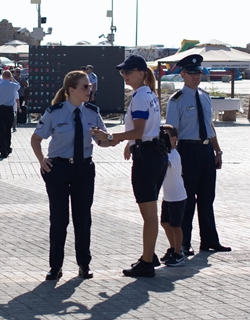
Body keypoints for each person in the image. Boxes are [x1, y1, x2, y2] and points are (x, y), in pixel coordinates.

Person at [92, 54, 166, 278]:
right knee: (150, 211)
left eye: (128, 71)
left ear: (141, 73)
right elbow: (145, 131)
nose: (124, 75)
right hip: (154, 154)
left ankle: (147, 262)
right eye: (123, 72)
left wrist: (111, 136)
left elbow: (139, 130)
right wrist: (128, 142)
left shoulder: (141, 96)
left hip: (147, 158)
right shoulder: (148, 93)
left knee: (149, 214)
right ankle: (149, 254)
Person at [31, 70, 106, 281]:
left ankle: (84, 264)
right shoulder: (55, 112)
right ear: (71, 90)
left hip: (83, 169)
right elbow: (36, 139)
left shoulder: (92, 112)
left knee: (83, 218)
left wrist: (108, 138)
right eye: (85, 86)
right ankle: (55, 267)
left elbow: (103, 141)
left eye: (90, 86)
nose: (89, 90)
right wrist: (41, 159)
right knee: (59, 219)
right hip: (59, 169)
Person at [163, 53, 228, 256]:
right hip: (187, 151)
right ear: (182, 74)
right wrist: (173, 159)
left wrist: (217, 150)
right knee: (188, 199)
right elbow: (171, 131)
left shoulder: (205, 96)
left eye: (198, 73)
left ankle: (209, 240)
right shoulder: (177, 100)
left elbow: (209, 126)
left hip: (206, 150)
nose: (196, 77)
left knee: (207, 197)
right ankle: (184, 242)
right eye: (191, 73)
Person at [157, 125, 187, 267]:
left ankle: (178, 253)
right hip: (167, 196)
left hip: (177, 197)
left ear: (174, 139)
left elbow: (165, 163)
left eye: (166, 137)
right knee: (165, 223)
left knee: (175, 225)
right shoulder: (164, 153)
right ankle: (173, 247)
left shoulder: (174, 155)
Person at [0, 70, 19, 159]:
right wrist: (12, 79)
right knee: (8, 130)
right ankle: (8, 147)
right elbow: (19, 85)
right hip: (9, 109)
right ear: (10, 76)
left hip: (0, 109)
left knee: (1, 130)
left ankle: (3, 151)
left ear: (2, 76)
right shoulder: (14, 86)